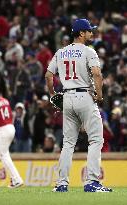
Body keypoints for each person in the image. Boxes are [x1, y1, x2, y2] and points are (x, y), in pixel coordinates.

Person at [45, 19, 112, 192]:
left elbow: (48, 75)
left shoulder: (61, 52)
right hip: (84, 96)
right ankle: (92, 182)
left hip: (67, 97)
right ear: (81, 33)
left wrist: (53, 95)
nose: (92, 33)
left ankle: (61, 184)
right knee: (96, 139)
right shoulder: (89, 51)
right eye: (89, 31)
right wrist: (99, 95)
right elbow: (97, 74)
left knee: (68, 143)